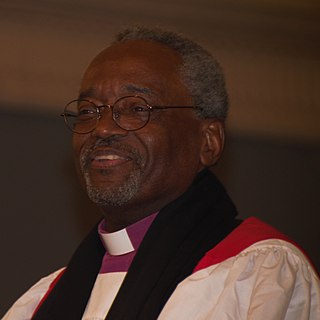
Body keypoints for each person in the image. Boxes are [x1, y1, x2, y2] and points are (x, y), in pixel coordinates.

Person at [3, 26, 320, 320]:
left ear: (208, 142)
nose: (102, 128)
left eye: (136, 109)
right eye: (88, 111)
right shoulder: (40, 301)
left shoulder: (259, 274)